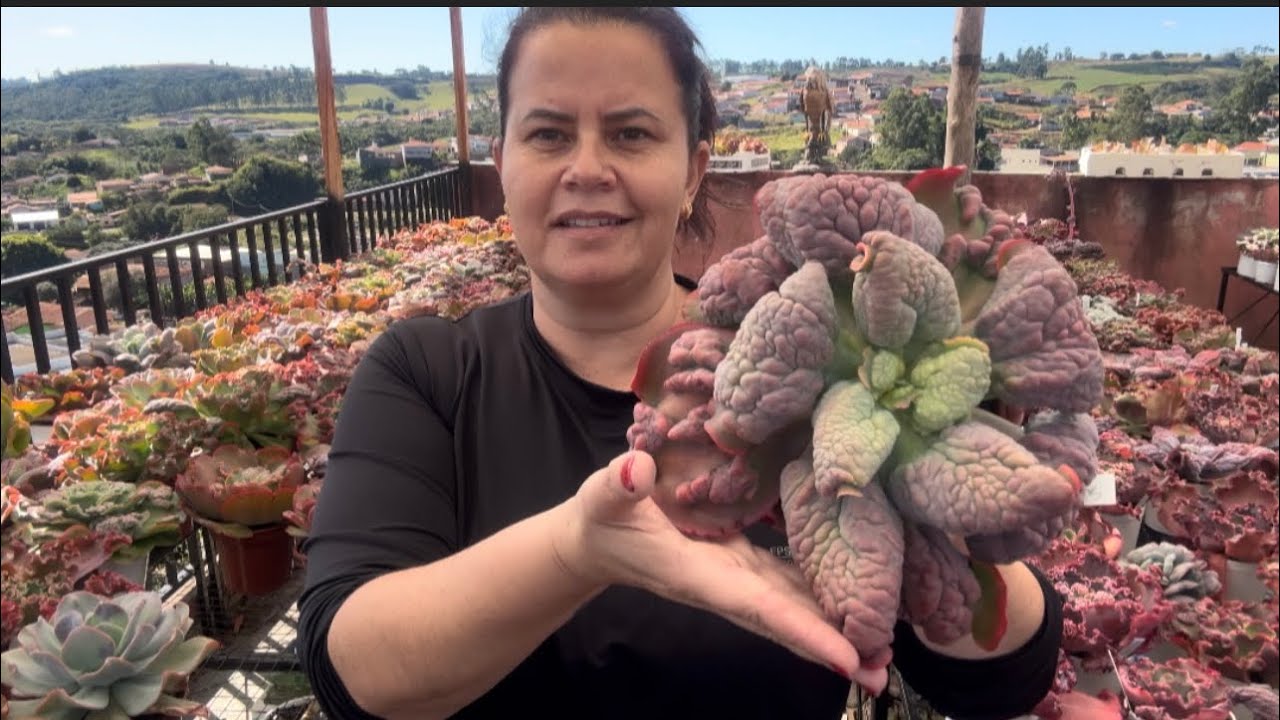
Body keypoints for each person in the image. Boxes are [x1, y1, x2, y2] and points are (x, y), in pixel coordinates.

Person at [296, 8, 1064, 720]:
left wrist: (947, 494)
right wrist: (577, 552)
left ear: (694, 168)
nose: (587, 167)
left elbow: (1001, 677)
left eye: (631, 134)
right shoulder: (428, 371)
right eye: (548, 135)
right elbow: (351, 666)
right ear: (501, 165)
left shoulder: (797, 363)